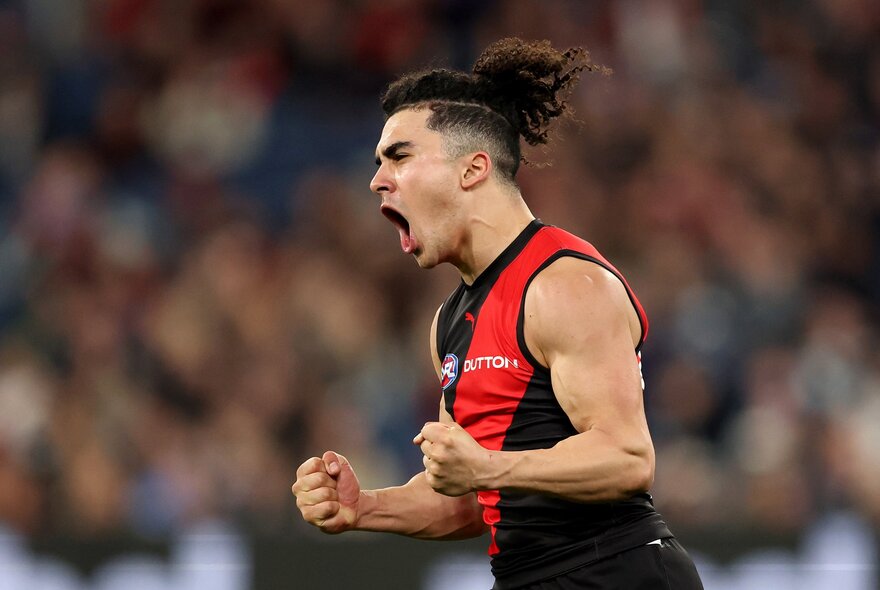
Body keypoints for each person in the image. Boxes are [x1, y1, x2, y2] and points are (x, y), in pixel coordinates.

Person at [292, 37, 704, 589]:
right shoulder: (449, 321)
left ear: (473, 169)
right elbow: (469, 501)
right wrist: (364, 507)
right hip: (525, 578)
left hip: (616, 572)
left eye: (400, 157)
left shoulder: (564, 284)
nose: (377, 180)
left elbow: (627, 457)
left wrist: (486, 466)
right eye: (379, 163)